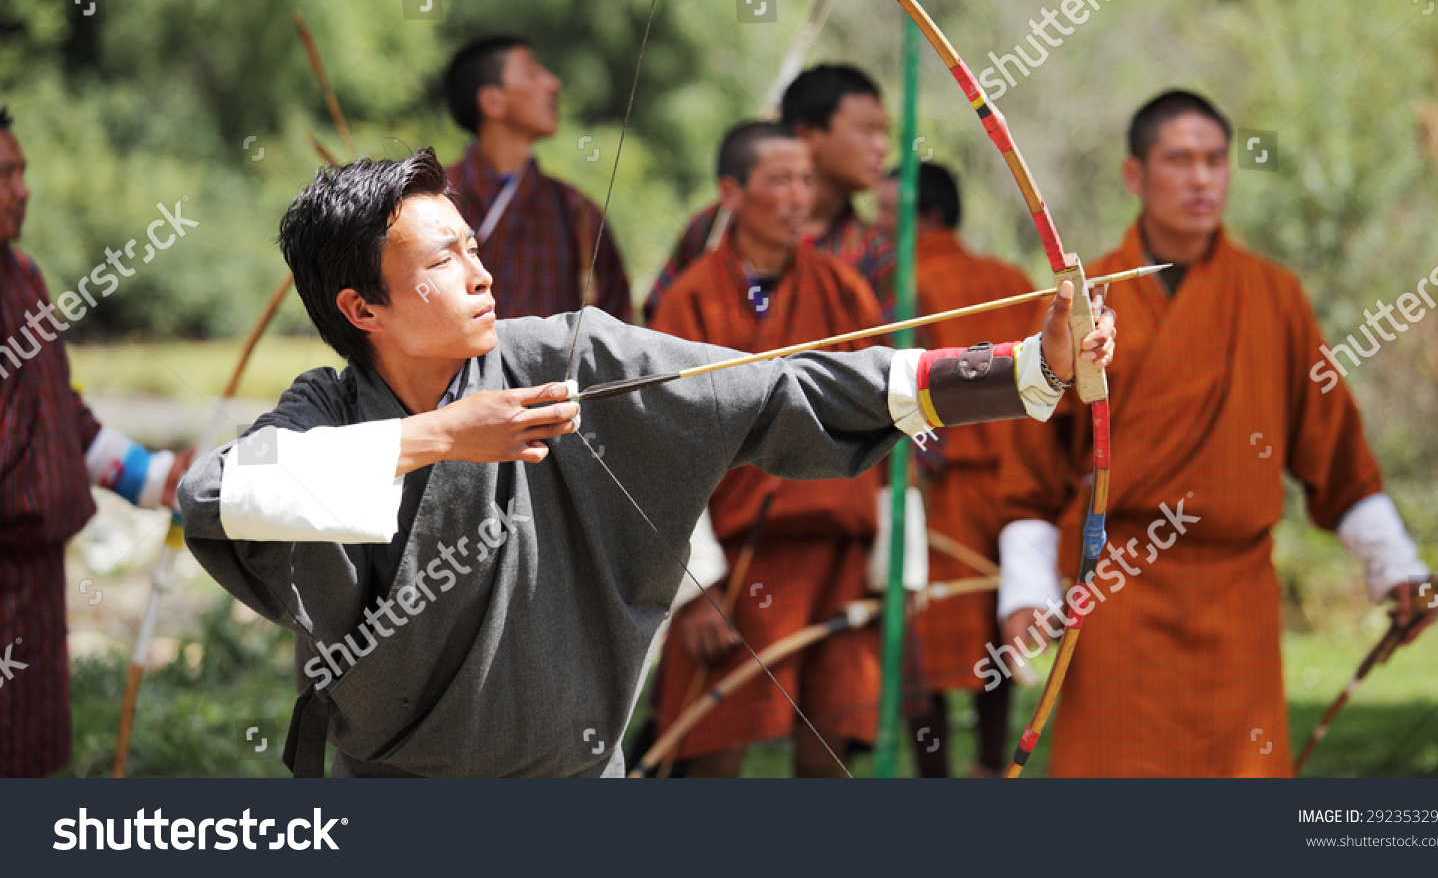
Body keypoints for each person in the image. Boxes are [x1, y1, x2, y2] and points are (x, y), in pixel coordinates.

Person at [177, 147, 1116, 777]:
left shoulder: (564, 358)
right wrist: (448, 436)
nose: (481, 273)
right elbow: (213, 494)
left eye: (474, 245)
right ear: (362, 308)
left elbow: (775, 387)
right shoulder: (329, 409)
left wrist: (1026, 370)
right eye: (442, 259)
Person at [988, 90, 1431, 777]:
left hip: (1237, 599)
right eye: (1180, 160)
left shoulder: (1273, 294)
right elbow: (1032, 471)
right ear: (1135, 175)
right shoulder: (1087, 299)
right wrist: (1023, 590)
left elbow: (1333, 448)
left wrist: (1395, 566)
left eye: (1216, 160)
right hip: (1118, 595)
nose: (1202, 178)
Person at [649, 121, 890, 777]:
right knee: (711, 742)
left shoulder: (844, 290)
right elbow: (662, 445)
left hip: (841, 550)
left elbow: (888, 416)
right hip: (737, 558)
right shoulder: (691, 298)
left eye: (807, 180)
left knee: (831, 742)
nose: (798, 198)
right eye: (779, 180)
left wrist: (900, 557)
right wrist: (696, 586)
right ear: (731, 192)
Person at [0, 107, 192, 776]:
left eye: (21, 170)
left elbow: (62, 415)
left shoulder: (23, 276)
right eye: (4, 175)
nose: (23, 188)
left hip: (35, 576)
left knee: (28, 753)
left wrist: (154, 475)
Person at [875, 162, 1038, 777]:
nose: (877, 224)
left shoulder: (902, 281)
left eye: (889, 212)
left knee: (930, 631)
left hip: (940, 483)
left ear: (929, 218)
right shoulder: (1012, 279)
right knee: (999, 621)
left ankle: (935, 776)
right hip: (1017, 486)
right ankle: (994, 764)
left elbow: (895, 387)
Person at [643, 64, 894, 321]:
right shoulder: (720, 223)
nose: (882, 147)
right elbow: (662, 325)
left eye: (884, 132)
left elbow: (890, 352)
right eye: (867, 130)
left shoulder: (873, 251)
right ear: (806, 135)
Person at [442, 35, 632, 322]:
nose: (553, 84)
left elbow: (618, 322)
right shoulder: (431, 198)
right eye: (532, 74)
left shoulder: (575, 210)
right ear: (492, 101)